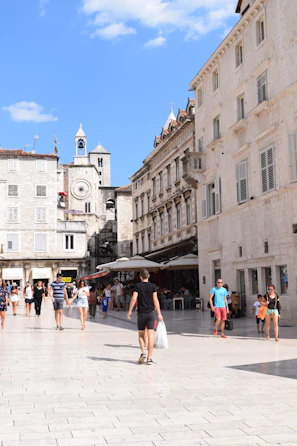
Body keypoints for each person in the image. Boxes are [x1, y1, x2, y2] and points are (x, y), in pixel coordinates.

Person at [127, 269, 163, 365]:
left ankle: (143, 352)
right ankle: (150, 358)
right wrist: (159, 313)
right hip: (151, 313)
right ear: (149, 276)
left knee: (141, 334)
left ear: (140, 277)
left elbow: (134, 299)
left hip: (141, 313)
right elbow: (155, 300)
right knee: (151, 336)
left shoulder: (138, 286)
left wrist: (129, 311)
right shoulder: (153, 286)